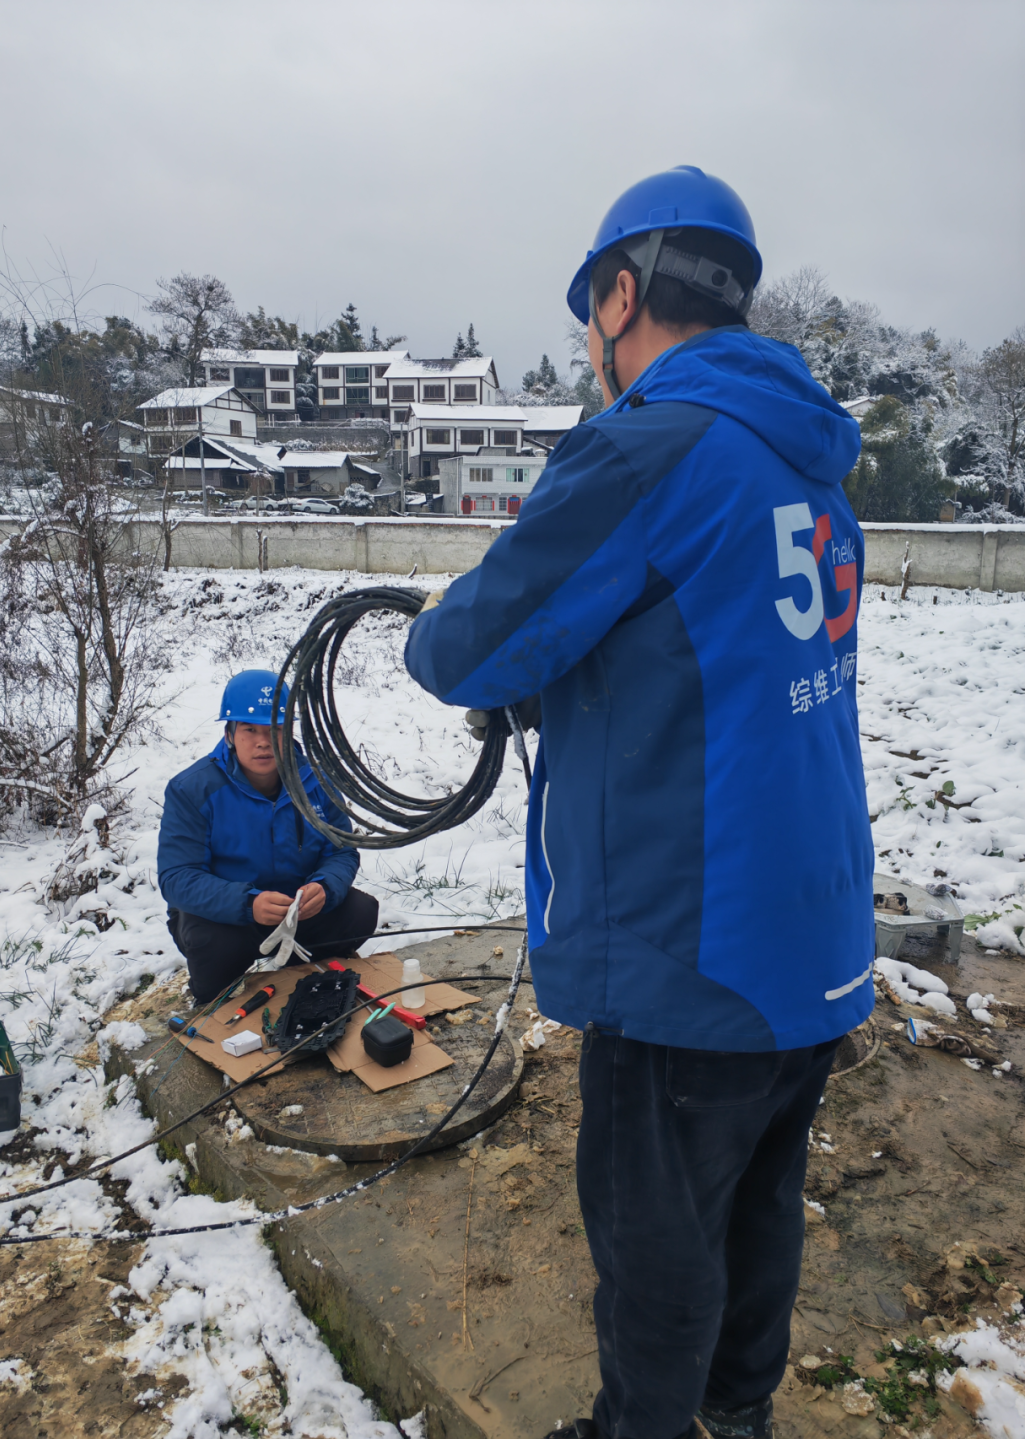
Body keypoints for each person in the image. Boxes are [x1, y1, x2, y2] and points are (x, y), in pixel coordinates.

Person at [404, 166, 874, 1439]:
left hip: (689, 945)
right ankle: (738, 1412)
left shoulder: (646, 445)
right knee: (760, 1198)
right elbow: (705, 646)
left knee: (655, 1235)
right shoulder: (812, 463)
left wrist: (452, 629)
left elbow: (466, 650)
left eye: (589, 324)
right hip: (817, 929)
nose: (592, 356)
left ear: (623, 295)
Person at [157, 669, 378, 1004]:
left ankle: (296, 973)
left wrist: (325, 887)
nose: (262, 742)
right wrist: (247, 903)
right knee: (212, 947)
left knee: (361, 912)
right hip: (228, 916)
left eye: (274, 730)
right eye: (249, 729)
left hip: (297, 909)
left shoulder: (317, 781)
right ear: (230, 733)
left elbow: (342, 851)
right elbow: (177, 877)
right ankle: (217, 996)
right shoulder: (192, 789)